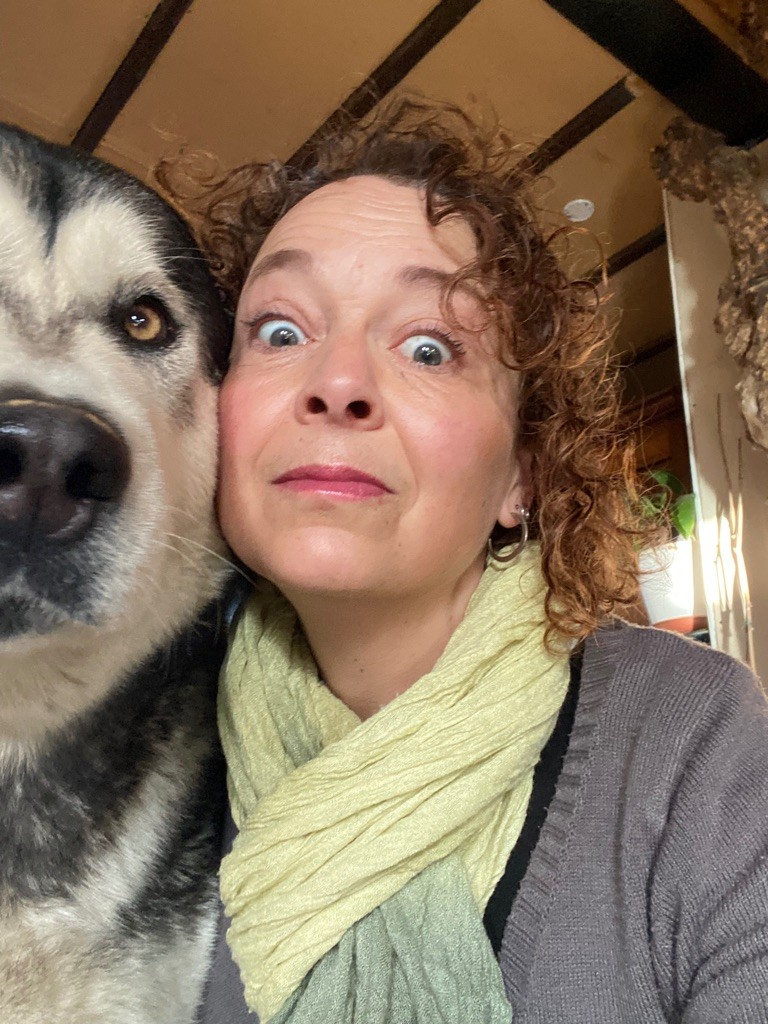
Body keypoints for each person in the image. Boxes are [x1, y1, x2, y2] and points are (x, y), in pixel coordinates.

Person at [162, 99, 768, 1023]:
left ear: (522, 475)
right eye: (280, 332)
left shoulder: (688, 737)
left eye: (429, 347)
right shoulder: (141, 746)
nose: (338, 384)